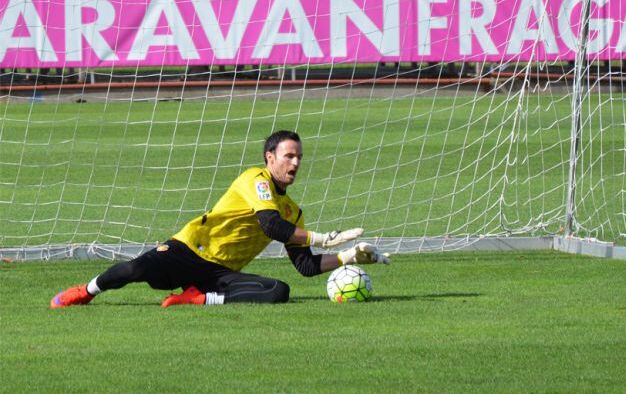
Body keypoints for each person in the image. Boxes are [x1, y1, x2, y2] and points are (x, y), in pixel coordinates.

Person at [51, 130, 390, 308]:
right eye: (289, 155)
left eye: (299, 157)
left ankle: (199, 298)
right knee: (132, 270)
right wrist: (322, 237)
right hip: (188, 250)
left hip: (218, 274)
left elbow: (305, 267)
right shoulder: (255, 179)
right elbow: (270, 225)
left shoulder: (294, 211)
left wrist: (347, 257)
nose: (296, 163)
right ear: (270, 157)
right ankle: (86, 291)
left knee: (279, 292)